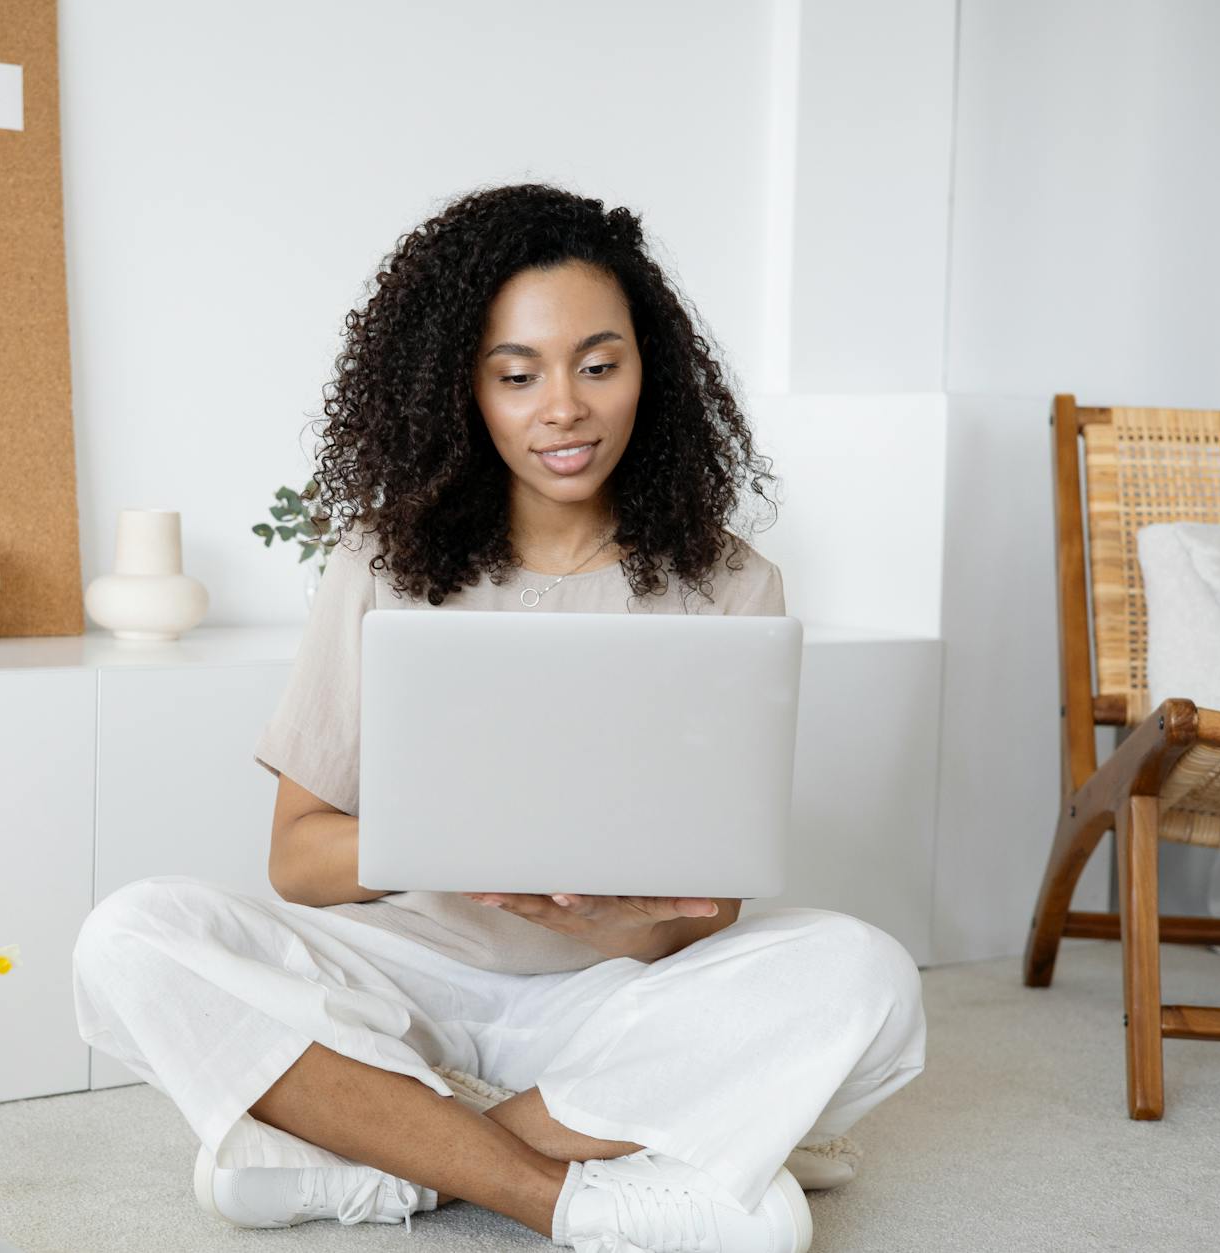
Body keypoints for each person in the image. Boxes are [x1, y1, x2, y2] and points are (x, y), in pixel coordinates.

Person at [72, 183, 925, 1253]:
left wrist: (609, 919)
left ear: (646, 372)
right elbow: (296, 860)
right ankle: (565, 1191)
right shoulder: (380, 562)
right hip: (394, 991)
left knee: (865, 975)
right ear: (460, 390)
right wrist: (446, 845)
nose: (561, 406)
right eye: (516, 374)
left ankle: (390, 1155)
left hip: (602, 1002)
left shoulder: (731, 583)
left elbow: (710, 907)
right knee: (130, 936)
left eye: (597, 365)